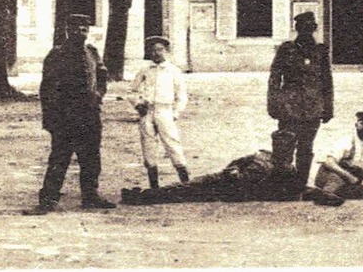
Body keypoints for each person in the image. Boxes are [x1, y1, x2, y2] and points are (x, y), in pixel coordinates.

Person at [24, 13, 116, 212]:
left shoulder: (92, 52)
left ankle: (91, 197)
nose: (80, 32)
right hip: (65, 117)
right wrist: (50, 120)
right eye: (75, 28)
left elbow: (102, 75)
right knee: (59, 159)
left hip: (90, 115)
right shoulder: (56, 54)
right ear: (67, 30)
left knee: (91, 158)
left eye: (84, 28)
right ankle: (47, 201)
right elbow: (46, 89)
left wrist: (99, 94)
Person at [267, 10, 333, 191]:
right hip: (289, 106)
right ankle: (282, 185)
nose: (306, 31)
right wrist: (273, 104)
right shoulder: (286, 49)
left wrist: (328, 107)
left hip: (313, 107)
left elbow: (327, 80)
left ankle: (300, 184)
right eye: (302, 28)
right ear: (296, 28)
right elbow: (274, 78)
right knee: (285, 145)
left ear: (314, 29)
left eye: (309, 28)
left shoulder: (321, 51)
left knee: (306, 147)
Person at [121, 149, 293, 205]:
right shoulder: (263, 155)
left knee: (183, 193)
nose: (280, 147)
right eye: (278, 144)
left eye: (284, 146)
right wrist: (233, 169)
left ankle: (142, 197)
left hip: (228, 191)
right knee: (186, 187)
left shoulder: (284, 170)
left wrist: (237, 175)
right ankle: (143, 195)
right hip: (222, 178)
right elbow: (237, 161)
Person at [131, 35, 190, 190]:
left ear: (166, 51)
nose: (156, 53)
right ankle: (154, 187)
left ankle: (186, 183)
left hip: (165, 111)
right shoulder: (145, 70)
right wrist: (138, 104)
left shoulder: (174, 71)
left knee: (172, 143)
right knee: (148, 146)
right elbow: (132, 90)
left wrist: (175, 113)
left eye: (160, 50)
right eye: (153, 50)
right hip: (148, 112)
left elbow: (181, 96)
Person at [307, 112, 363, 206]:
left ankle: (317, 194)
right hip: (331, 174)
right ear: (357, 125)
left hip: (353, 179)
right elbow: (328, 162)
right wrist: (348, 176)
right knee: (337, 176)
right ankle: (327, 194)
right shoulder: (346, 140)